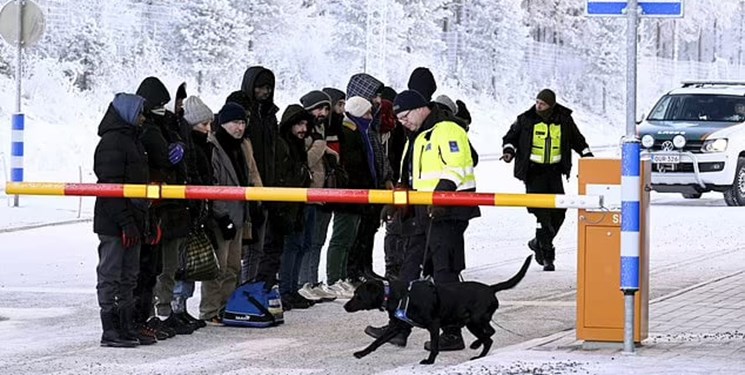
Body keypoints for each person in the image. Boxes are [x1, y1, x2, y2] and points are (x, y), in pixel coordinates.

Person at [500, 88, 593, 271]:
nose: (538, 106)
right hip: (533, 173)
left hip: (554, 173)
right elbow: (510, 138)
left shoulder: (563, 119)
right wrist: (508, 151)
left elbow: (578, 140)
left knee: (559, 212)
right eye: (537, 102)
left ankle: (538, 242)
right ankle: (547, 256)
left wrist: (587, 156)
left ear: (551, 105)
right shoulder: (525, 119)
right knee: (542, 214)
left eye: (542, 104)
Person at [93, 93, 152, 347]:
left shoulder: (132, 140)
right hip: (114, 222)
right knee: (111, 274)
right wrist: (125, 221)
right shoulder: (112, 142)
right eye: (140, 113)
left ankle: (126, 325)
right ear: (128, 113)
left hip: (132, 220)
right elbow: (109, 186)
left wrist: (142, 222)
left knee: (129, 275)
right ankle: (111, 328)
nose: (143, 119)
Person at [200, 102, 252, 323]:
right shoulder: (214, 146)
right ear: (223, 123)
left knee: (232, 266)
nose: (239, 128)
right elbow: (213, 185)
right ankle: (210, 310)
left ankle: (226, 307)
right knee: (218, 268)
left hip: (238, 213)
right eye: (235, 123)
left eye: (242, 123)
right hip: (222, 216)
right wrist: (221, 215)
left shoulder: (239, 147)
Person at [170, 95, 216, 329]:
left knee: (189, 265)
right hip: (185, 211)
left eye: (210, 124)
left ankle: (182, 307)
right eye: (203, 125)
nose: (208, 129)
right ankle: (175, 308)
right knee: (181, 264)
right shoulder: (189, 147)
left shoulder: (202, 147)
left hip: (196, 211)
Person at [275, 104, 315, 310]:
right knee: (291, 248)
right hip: (288, 203)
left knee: (301, 245)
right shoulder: (282, 144)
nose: (303, 129)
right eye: (299, 124)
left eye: (305, 124)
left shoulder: (297, 144)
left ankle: (291, 289)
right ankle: (285, 290)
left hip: (299, 203)